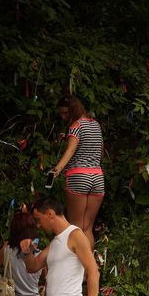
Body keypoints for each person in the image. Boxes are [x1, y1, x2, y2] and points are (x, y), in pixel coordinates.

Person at [49, 94, 104, 249]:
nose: (63, 117)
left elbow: (70, 150)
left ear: (74, 109)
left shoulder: (76, 126)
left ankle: (76, 271)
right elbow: (100, 153)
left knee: (75, 228)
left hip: (78, 177)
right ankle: (90, 271)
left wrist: (56, 170)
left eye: (66, 113)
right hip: (98, 178)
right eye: (61, 114)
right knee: (87, 228)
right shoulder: (96, 125)